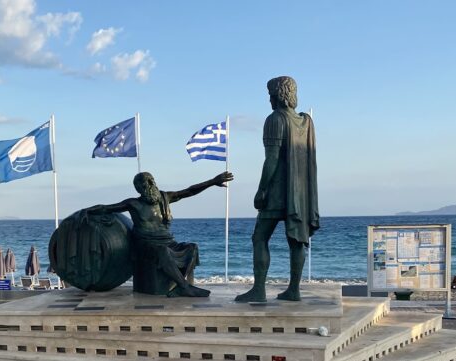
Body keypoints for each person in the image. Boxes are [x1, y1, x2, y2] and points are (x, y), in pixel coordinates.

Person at [235, 76, 319, 303]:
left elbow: (271, 159)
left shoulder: (275, 119)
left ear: (277, 95)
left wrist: (261, 190)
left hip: (277, 191)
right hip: (300, 193)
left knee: (260, 237)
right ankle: (294, 290)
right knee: (297, 242)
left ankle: (259, 289)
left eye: (270, 94)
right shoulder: (306, 122)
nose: (269, 99)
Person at [86, 171, 233, 297]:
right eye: (143, 184)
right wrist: (86, 212)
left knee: (192, 247)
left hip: (168, 241)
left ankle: (180, 285)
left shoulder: (165, 198)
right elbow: (106, 208)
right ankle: (184, 287)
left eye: (150, 181)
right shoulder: (133, 203)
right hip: (145, 245)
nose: (149, 185)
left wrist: (212, 182)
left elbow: (189, 191)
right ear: (138, 188)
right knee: (163, 251)